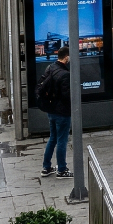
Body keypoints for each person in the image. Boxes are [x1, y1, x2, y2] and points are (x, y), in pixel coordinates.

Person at [39, 47, 73, 178]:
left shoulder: (50, 67)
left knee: (52, 138)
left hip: (51, 110)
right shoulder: (65, 74)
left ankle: (46, 167)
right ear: (66, 57)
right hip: (62, 112)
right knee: (62, 141)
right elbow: (66, 96)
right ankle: (62, 169)